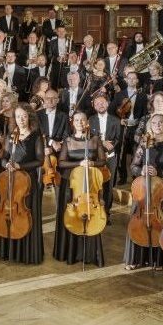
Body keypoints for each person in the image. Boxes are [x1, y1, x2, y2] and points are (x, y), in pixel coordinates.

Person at [123, 114, 163, 270]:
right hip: (144, 189)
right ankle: (137, 258)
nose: (158, 125)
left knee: (161, 223)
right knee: (138, 219)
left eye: (161, 122)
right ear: (149, 126)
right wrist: (141, 171)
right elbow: (133, 166)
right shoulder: (144, 143)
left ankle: (159, 260)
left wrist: (158, 172)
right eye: (154, 123)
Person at [54, 111, 107, 266]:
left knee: (91, 214)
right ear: (73, 123)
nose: (80, 123)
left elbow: (102, 161)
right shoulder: (68, 141)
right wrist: (79, 163)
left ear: (87, 123)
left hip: (89, 183)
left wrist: (92, 163)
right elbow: (61, 163)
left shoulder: (95, 140)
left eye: (82, 120)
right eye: (76, 120)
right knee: (72, 215)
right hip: (72, 185)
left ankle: (90, 254)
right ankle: (70, 253)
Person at [0, 103, 45, 264]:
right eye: (18, 116)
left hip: (28, 182)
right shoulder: (11, 136)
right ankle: (9, 250)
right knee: (10, 212)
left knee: (26, 213)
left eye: (24, 116)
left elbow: (40, 160)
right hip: (11, 180)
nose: (21, 119)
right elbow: (4, 157)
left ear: (29, 117)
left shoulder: (36, 136)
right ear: (14, 119)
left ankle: (27, 253)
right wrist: (7, 165)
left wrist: (20, 166)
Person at [88, 94, 121, 217]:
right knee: (95, 184)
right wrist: (102, 142)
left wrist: (110, 147)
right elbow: (89, 139)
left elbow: (118, 138)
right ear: (94, 106)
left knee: (108, 185)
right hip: (95, 158)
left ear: (107, 104)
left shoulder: (116, 120)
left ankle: (106, 212)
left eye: (102, 102)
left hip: (110, 157)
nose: (100, 105)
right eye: (97, 103)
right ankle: (95, 210)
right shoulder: (90, 120)